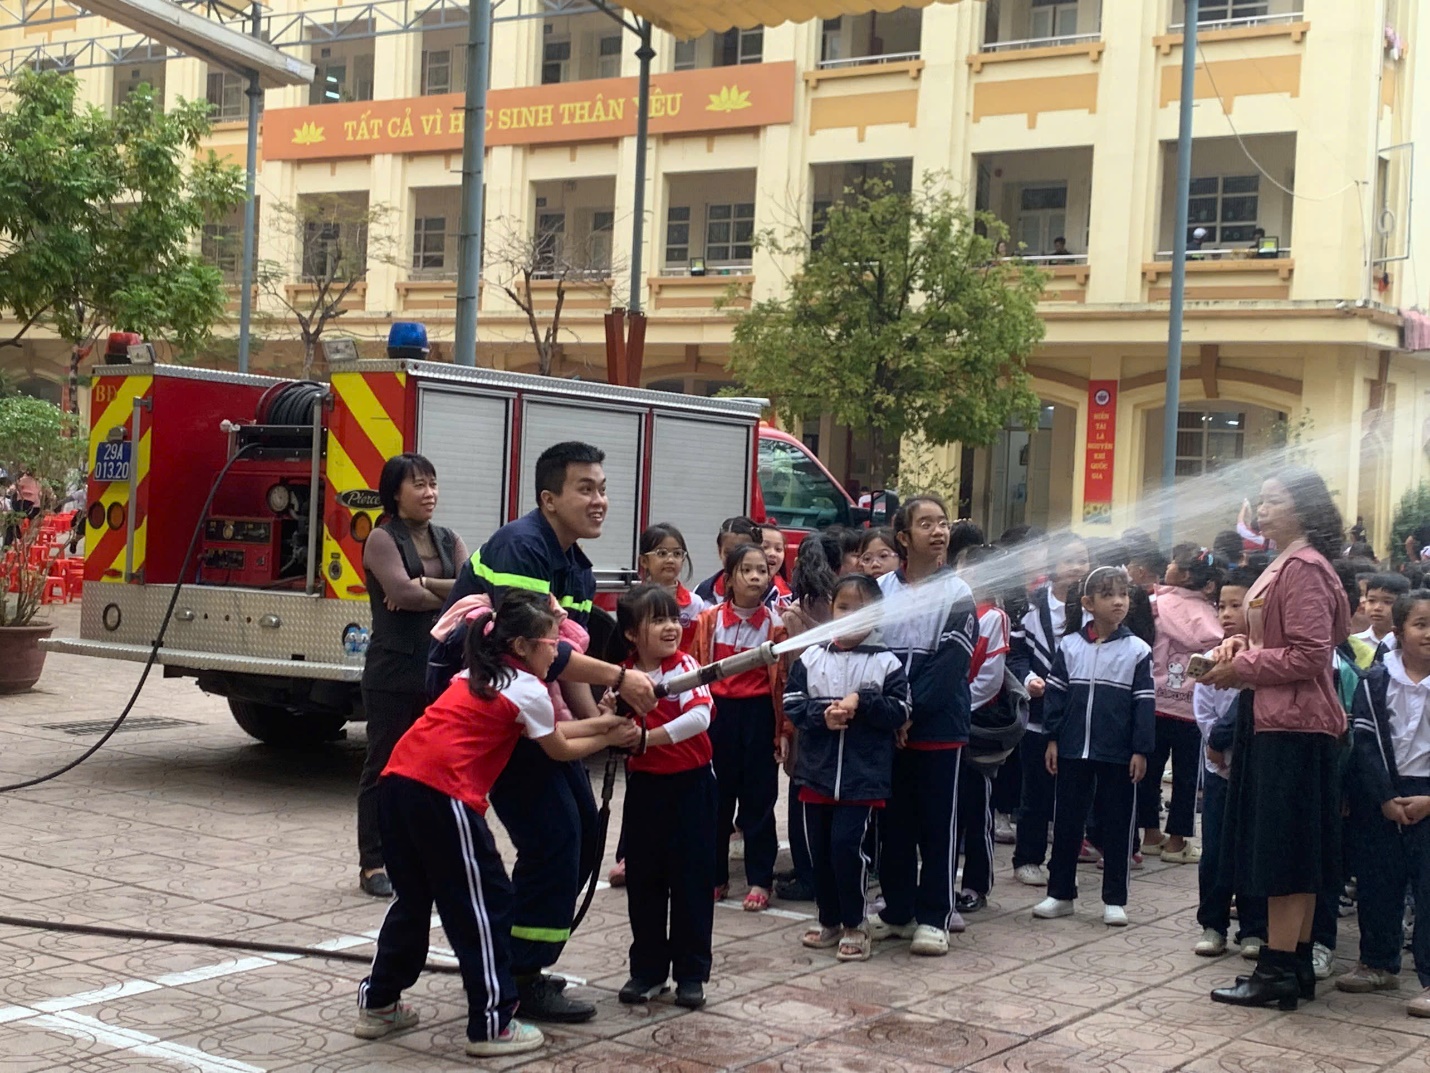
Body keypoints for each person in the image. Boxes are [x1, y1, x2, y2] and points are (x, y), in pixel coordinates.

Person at [354, 593, 639, 1059]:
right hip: (443, 794)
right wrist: (610, 733)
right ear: (524, 646)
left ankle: (380, 1003)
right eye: (553, 642)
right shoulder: (528, 688)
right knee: (486, 907)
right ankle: (492, 1023)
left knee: (414, 899)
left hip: (397, 785)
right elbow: (560, 749)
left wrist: (606, 726)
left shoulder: (477, 672)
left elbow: (555, 734)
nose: (559, 651)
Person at [432, 441, 659, 1023]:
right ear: (548, 498)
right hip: (485, 720)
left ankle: (517, 960)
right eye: (586, 488)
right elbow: (536, 651)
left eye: (604, 488)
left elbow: (562, 663)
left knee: (581, 830)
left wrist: (598, 722)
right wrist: (624, 679)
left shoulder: (575, 564)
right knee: (554, 836)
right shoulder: (520, 548)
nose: (600, 499)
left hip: (528, 712)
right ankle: (516, 971)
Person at [1204, 467, 1352, 1010]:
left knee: (1286, 851)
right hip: (1278, 719)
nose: (1260, 512)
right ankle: (1293, 967)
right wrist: (1238, 644)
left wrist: (1242, 668)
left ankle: (1275, 971)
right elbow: (1283, 639)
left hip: (1292, 725)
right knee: (1294, 849)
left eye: (1271, 502)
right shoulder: (1287, 562)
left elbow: (1313, 654)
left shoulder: (1305, 567)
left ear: (1302, 508)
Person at [866, 494, 978, 956]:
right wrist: (889, 713)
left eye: (943, 523)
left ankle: (935, 917)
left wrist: (907, 711)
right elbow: (869, 652)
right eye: (926, 523)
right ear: (903, 536)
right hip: (890, 728)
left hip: (937, 728)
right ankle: (897, 910)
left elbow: (951, 664)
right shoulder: (880, 591)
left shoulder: (959, 594)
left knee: (938, 823)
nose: (938, 531)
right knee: (891, 823)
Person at [357, 454, 467, 899]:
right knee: (384, 767)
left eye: (433, 484)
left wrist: (424, 587)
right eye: (418, 485)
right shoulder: (382, 539)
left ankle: (424, 854)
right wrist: (432, 589)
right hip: (394, 670)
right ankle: (373, 862)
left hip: (441, 669)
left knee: (436, 765)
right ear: (395, 493)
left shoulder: (448, 537)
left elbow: (472, 589)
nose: (429, 493)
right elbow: (400, 590)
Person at [786, 573, 910, 962]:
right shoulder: (811, 657)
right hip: (815, 774)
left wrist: (863, 702)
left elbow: (902, 710)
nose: (852, 617)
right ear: (831, 610)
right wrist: (823, 715)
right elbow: (791, 703)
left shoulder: (887, 662)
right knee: (819, 851)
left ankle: (856, 924)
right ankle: (829, 920)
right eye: (843, 608)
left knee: (846, 848)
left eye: (863, 610)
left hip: (862, 779)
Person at [614, 585, 718, 1011]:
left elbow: (700, 716)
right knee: (645, 882)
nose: (671, 627)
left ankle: (691, 975)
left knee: (692, 883)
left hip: (692, 788)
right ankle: (649, 972)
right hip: (645, 792)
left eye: (673, 618)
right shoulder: (623, 676)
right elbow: (609, 718)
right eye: (657, 620)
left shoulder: (685, 667)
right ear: (631, 635)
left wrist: (645, 739)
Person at [1033, 567, 1153, 928]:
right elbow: (1055, 696)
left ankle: (1114, 899)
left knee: (1117, 826)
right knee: (1068, 823)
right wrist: (1053, 738)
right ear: (1088, 603)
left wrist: (1140, 749)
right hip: (1072, 750)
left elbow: (1144, 704)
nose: (1118, 601)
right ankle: (1060, 893)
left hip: (1118, 754)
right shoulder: (1069, 647)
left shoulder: (1137, 651)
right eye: (1107, 595)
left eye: (1123, 594)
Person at [1341, 589, 1430, 1016]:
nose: (1428, 633)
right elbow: (1363, 743)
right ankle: (1378, 962)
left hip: (1429, 796)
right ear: (1399, 632)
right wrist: (1383, 798)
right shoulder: (1376, 680)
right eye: (1421, 624)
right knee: (1379, 880)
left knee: (1429, 887)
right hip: (1385, 794)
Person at [690, 542, 788, 911]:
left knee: (759, 800)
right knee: (715, 798)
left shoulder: (776, 624)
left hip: (759, 715)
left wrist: (784, 730)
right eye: (746, 570)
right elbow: (696, 671)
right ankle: (715, 877)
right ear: (729, 578)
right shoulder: (709, 621)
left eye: (762, 570)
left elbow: (783, 682)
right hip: (718, 716)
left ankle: (760, 879)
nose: (755, 577)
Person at [1193, 565, 1269, 958]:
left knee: (1254, 849)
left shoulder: (1264, 662)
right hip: (1220, 771)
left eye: (1235, 605)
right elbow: (1203, 708)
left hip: (1256, 771)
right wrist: (1215, 742)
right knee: (1216, 850)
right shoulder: (1208, 658)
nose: (1225, 613)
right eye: (1221, 605)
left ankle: (1255, 929)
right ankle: (1213, 924)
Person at [1008, 533, 1091, 886]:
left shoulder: (1093, 606)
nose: (1077, 567)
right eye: (1070, 560)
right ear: (1052, 566)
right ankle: (1028, 858)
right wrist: (1028, 680)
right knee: (1036, 790)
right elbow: (1016, 654)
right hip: (1038, 716)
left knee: (1075, 792)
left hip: (1078, 716)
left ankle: (1066, 862)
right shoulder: (1029, 607)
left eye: (1083, 559)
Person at [1140, 544, 1224, 866]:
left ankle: (1149, 836)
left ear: (1184, 573)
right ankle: (1176, 844)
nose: (1169, 565)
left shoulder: (1154, 605)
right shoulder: (1210, 614)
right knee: (1188, 777)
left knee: (1149, 770)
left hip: (1154, 702)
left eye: (1174, 562)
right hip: (1191, 708)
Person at [776, 532, 845, 903]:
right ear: (838, 564)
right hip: (840, 711)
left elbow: (790, 669)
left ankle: (808, 874)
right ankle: (822, 869)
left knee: (801, 792)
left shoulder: (793, 614)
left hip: (805, 713)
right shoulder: (846, 605)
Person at [954, 543, 1011, 914]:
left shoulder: (994, 617)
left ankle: (976, 883)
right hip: (948, 721)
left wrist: (958, 707)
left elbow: (990, 679)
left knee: (976, 807)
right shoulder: (955, 611)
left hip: (972, 725)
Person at [635, 523, 708, 652]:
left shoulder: (695, 604)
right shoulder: (634, 602)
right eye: (662, 553)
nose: (670, 560)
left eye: (677, 554)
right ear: (644, 561)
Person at [693, 516, 762, 603]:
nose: (735, 559)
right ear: (719, 551)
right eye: (728, 553)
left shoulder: (774, 595)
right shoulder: (702, 592)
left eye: (743, 553)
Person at [1356, 572, 1411, 655]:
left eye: (1387, 602)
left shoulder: (1410, 644)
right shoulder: (1356, 643)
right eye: (1371, 600)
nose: (1377, 608)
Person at [761, 526, 792, 606]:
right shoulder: (734, 590)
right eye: (765, 547)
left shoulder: (792, 596)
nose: (772, 553)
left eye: (778, 549)